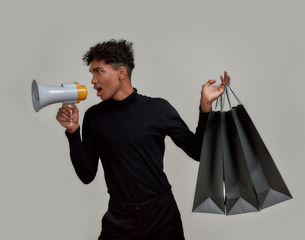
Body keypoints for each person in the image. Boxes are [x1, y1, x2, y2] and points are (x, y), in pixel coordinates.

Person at [55, 39, 230, 240]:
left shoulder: (159, 109)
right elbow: (87, 175)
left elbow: (198, 152)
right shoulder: (94, 117)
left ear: (120, 73)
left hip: (162, 215)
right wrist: (72, 132)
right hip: (119, 218)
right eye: (92, 73)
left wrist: (205, 107)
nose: (93, 80)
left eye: (98, 71)